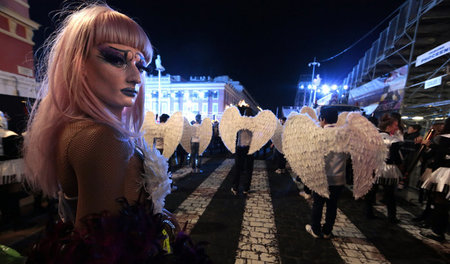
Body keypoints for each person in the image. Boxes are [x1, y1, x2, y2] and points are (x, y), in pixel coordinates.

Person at [22, 4, 207, 263]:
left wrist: (158, 217)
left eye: (140, 65)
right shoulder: (101, 137)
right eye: (116, 59)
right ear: (78, 64)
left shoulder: (80, 129)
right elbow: (100, 253)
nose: (136, 77)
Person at [305, 107, 349, 239]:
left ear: (323, 119)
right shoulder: (344, 135)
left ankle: (316, 230)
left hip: (322, 177)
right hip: (339, 177)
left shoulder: (319, 134)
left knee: (318, 203)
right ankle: (327, 231)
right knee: (332, 205)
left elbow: (313, 156)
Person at [367, 113, 403, 223]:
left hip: (375, 167)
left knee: (372, 191)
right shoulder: (394, 140)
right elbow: (396, 157)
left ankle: (368, 213)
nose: (397, 127)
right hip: (389, 169)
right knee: (390, 193)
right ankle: (392, 216)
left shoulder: (373, 137)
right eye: (395, 125)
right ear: (389, 126)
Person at [419, 117, 450, 242]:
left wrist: (430, 146)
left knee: (439, 202)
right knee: (445, 204)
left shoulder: (444, 139)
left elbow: (438, 158)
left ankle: (438, 231)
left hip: (444, 173)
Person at [231, 108, 254, 196]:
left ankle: (235, 188)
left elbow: (234, 129)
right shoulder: (253, 123)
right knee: (249, 169)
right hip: (250, 148)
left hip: (240, 147)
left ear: (244, 113)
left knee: (238, 168)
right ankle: (246, 188)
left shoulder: (239, 121)